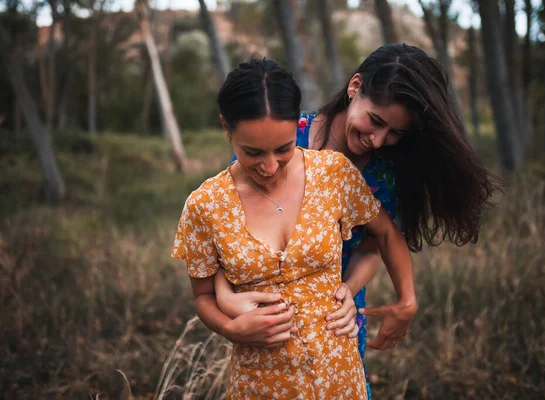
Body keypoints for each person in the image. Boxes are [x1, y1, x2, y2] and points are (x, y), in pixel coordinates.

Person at [214, 43, 503, 398]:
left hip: (340, 319)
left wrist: (347, 293)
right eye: (376, 121)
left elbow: (373, 244)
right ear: (355, 88)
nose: (378, 141)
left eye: (395, 133)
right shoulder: (280, 139)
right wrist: (231, 311)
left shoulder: (385, 171)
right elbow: (227, 234)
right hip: (271, 322)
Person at [172, 58, 417, 399]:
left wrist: (392, 297)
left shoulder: (333, 173)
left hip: (339, 374)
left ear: (296, 128)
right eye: (252, 152)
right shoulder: (205, 206)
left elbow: (385, 235)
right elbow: (204, 295)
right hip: (261, 383)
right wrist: (231, 328)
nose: (270, 166)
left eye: (284, 149)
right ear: (226, 128)